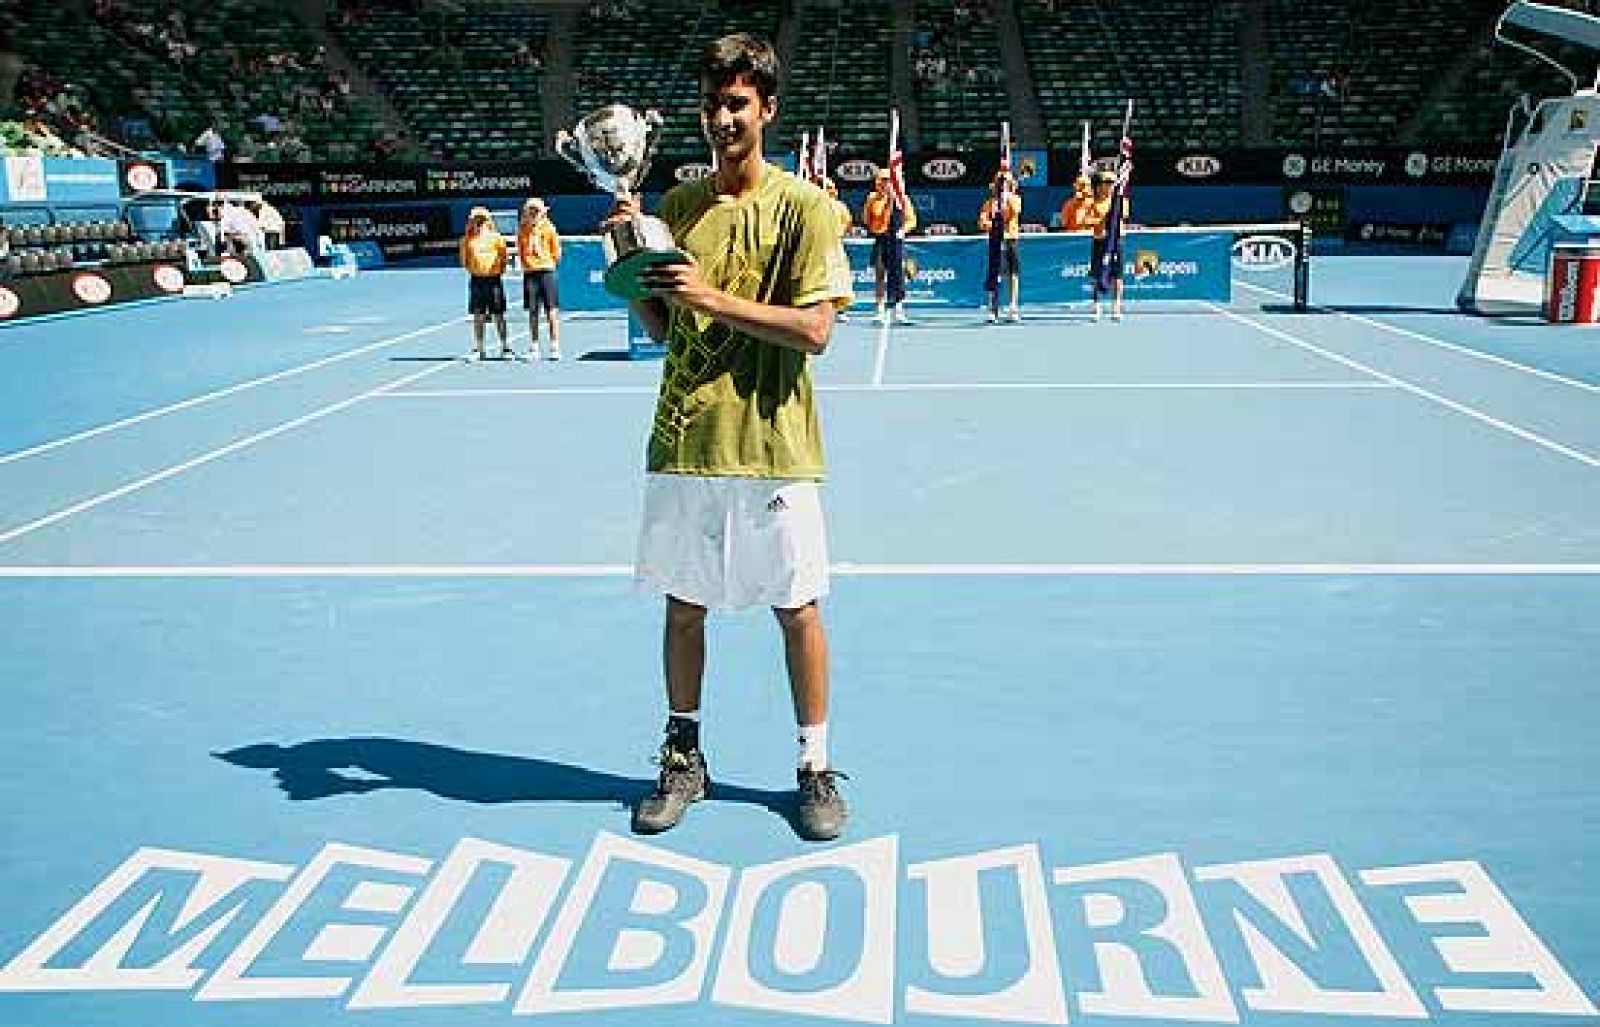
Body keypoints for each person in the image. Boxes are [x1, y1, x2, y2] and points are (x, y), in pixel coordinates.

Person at [607, 32, 853, 842]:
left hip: (773, 445)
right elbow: (661, 327)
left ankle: (814, 767)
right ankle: (684, 757)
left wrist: (710, 297)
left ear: (768, 110)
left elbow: (815, 330)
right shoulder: (677, 209)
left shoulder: (805, 208)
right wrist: (631, 265)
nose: (722, 119)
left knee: (797, 610)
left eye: (737, 104)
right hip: (686, 440)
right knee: (684, 609)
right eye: (712, 104)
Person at [861, 167, 915, 325]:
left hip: (896, 240)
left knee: (898, 274)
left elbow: (912, 220)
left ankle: (899, 309)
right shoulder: (872, 198)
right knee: (880, 275)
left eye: (887, 180)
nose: (884, 183)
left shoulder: (902, 199)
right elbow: (866, 219)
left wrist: (902, 231)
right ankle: (879, 310)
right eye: (881, 180)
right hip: (881, 239)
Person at [459, 206, 512, 360]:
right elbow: (464, 262)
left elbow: (504, 258)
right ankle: (479, 349)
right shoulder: (466, 240)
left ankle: (505, 347)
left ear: (487, 221)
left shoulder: (496, 238)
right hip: (477, 280)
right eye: (476, 220)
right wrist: (477, 270)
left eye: (482, 220)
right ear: (471, 221)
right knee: (478, 315)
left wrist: (496, 271)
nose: (479, 223)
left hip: (494, 280)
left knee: (499, 314)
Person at [516, 196, 562, 360]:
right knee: (533, 312)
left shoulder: (549, 229)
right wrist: (528, 265)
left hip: (547, 272)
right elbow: (521, 251)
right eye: (531, 211)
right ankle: (534, 347)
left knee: (551, 311)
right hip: (530, 273)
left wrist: (547, 264)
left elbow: (556, 252)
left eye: (536, 211)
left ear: (542, 213)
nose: (534, 214)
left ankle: (555, 346)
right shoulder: (522, 230)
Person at [977, 170, 1022, 323]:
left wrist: (1007, 198)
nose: (1002, 186)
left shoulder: (1015, 199)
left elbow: (1014, 213)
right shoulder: (989, 204)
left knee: (1012, 273)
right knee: (994, 274)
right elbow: (982, 222)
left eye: (1005, 183)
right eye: (1000, 183)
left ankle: (1013, 306)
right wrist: (995, 226)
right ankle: (993, 308)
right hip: (995, 241)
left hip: (1011, 239)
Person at [1085, 170, 1129, 321]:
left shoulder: (1120, 201)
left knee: (1117, 276)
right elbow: (1086, 221)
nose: (1110, 186)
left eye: (1112, 183)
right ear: (1099, 186)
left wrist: (1113, 214)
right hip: (1100, 242)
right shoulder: (1092, 203)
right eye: (1107, 183)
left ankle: (1116, 307)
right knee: (1097, 275)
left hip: (1116, 242)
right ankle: (1096, 306)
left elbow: (1122, 217)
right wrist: (1100, 222)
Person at [820, 176, 854, 321]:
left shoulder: (840, 206)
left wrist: (838, 234)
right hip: (819, 247)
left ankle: (840, 310)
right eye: (825, 187)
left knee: (839, 278)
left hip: (836, 246)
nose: (827, 191)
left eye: (829, 188)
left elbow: (848, 223)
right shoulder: (816, 205)